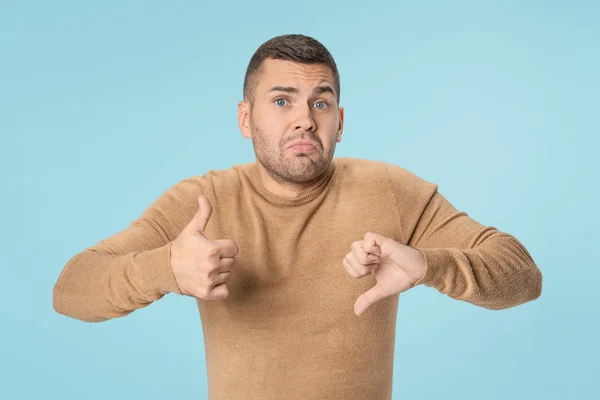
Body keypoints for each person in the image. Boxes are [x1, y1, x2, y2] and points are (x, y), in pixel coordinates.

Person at [53, 34, 543, 399]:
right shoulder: (202, 203)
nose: (304, 118)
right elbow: (71, 289)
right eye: (282, 100)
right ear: (246, 118)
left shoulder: (391, 191)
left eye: (321, 102)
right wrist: (165, 269)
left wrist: (429, 266)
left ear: (340, 121)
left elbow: (522, 274)